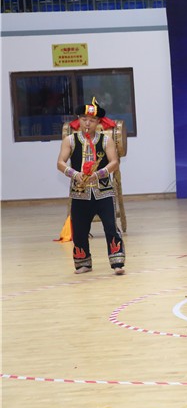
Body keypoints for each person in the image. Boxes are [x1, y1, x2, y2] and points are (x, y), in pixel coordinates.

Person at [56, 98, 126, 275]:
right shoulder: (70, 140)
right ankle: (83, 263)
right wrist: (74, 174)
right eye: (84, 119)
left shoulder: (106, 140)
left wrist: (98, 174)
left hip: (103, 191)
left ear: (98, 122)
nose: (88, 123)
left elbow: (114, 162)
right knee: (80, 230)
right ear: (78, 120)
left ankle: (117, 262)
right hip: (80, 192)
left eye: (92, 120)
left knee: (110, 226)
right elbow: (60, 163)